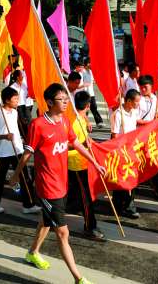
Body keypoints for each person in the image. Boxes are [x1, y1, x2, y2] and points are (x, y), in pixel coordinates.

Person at [9, 83, 105, 284]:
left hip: (62, 183)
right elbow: (27, 153)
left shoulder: (65, 121)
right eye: (62, 100)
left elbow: (76, 143)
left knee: (46, 221)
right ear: (50, 102)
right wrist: (16, 175)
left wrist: (95, 163)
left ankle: (32, 252)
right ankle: (78, 278)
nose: (66, 102)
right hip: (47, 186)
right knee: (62, 232)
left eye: (67, 99)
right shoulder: (38, 125)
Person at [0, 86, 40, 214]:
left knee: (25, 178)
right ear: (7, 100)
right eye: (15, 99)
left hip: (17, 149)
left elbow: (17, 129)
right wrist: (4, 137)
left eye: (18, 98)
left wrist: (23, 139)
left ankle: (28, 205)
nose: (17, 101)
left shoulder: (15, 112)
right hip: (2, 153)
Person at [67, 90, 106, 241]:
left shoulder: (80, 118)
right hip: (75, 164)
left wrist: (92, 143)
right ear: (88, 105)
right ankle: (90, 227)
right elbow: (66, 144)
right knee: (86, 197)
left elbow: (85, 138)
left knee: (76, 192)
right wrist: (82, 144)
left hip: (83, 161)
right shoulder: (73, 121)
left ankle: (70, 207)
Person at [110, 89, 141, 219]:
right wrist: (123, 147)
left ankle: (129, 205)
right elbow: (114, 136)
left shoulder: (133, 112)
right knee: (121, 179)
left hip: (132, 150)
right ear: (128, 101)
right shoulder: (118, 114)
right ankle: (119, 205)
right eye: (136, 102)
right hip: (121, 151)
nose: (138, 104)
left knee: (132, 178)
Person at [81, 58, 104, 128]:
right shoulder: (82, 72)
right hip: (85, 93)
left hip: (91, 93)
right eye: (90, 63)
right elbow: (81, 82)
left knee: (94, 107)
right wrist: (85, 85)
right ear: (86, 64)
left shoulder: (91, 71)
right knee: (85, 109)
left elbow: (93, 81)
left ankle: (99, 122)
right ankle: (84, 123)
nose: (91, 65)